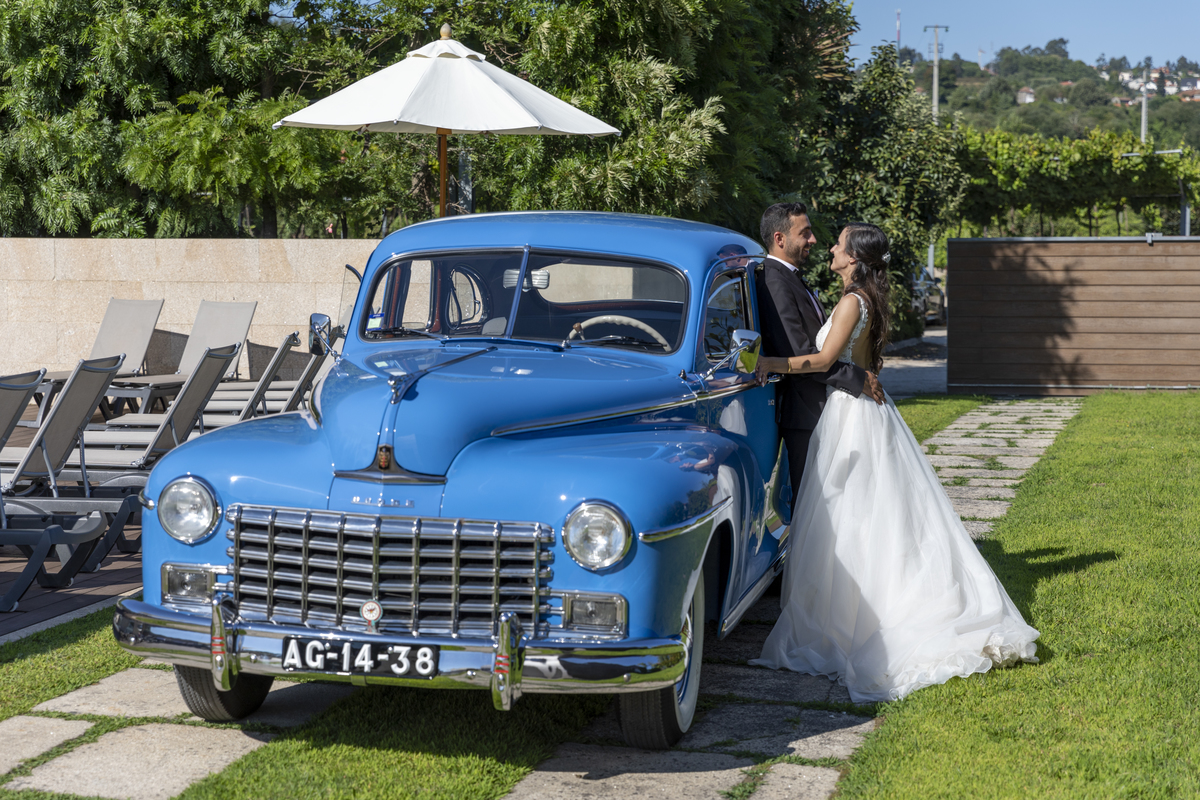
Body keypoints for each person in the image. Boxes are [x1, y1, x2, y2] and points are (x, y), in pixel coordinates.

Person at [750, 222, 1039, 702]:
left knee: (851, 516)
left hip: (850, 417)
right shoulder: (866, 298)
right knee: (868, 515)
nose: (830, 247)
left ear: (853, 258)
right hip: (859, 412)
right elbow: (858, 362)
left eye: (839, 243)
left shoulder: (851, 301)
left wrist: (769, 364)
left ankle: (862, 618)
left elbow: (822, 360)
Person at [755, 203, 884, 514]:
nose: (814, 240)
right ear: (780, 238)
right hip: (805, 410)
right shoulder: (774, 280)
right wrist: (857, 377)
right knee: (818, 508)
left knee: (834, 505)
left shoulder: (792, 278)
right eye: (805, 233)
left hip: (825, 407)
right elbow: (800, 353)